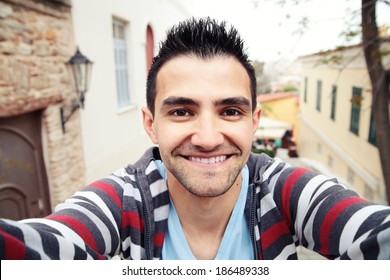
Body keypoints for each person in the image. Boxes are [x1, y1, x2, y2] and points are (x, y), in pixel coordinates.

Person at [1, 17, 390, 260]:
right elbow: (49, 246)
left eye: (230, 111)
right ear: (151, 124)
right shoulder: (125, 199)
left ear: (254, 122)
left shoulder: (285, 191)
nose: (206, 138)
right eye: (182, 111)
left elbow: (370, 232)